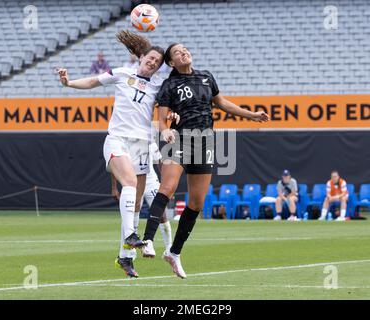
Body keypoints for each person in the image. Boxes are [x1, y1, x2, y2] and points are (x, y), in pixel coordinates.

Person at [141, 43, 269, 278]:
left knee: (197, 204)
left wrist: (252, 115)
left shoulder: (206, 77)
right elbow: (160, 120)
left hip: (205, 142)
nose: (183, 52)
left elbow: (222, 103)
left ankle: (174, 253)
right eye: (177, 52)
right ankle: (147, 239)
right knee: (167, 188)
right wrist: (165, 131)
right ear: (171, 63)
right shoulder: (170, 85)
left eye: (184, 49)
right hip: (179, 139)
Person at [57, 30, 166, 278]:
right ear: (141, 57)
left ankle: (125, 258)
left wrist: (175, 116)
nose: (152, 62)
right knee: (128, 183)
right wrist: (69, 83)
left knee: (135, 204)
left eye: (157, 62)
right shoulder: (121, 73)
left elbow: (169, 107)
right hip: (117, 139)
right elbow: (93, 82)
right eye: (150, 58)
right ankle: (130, 236)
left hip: (141, 144)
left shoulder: (159, 86)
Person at [111, 141, 173, 258]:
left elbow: (160, 162)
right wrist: (114, 188)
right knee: (133, 212)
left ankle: (169, 248)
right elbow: (114, 166)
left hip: (150, 182)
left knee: (162, 214)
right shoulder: (123, 143)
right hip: (132, 182)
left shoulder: (149, 142)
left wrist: (166, 184)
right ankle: (132, 249)